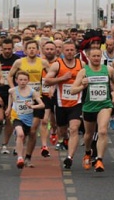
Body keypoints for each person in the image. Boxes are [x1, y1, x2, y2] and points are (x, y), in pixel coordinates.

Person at [72, 48, 114, 172]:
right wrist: (82, 85)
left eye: (98, 56)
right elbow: (72, 90)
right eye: (94, 56)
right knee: (88, 135)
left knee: (102, 131)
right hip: (89, 106)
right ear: (88, 56)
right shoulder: (83, 72)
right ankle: (87, 152)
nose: (96, 58)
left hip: (105, 105)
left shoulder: (108, 70)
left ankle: (99, 160)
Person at [7, 40, 50, 166]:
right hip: (21, 99)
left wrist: (51, 87)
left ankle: (28, 157)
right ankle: (20, 147)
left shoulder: (42, 62)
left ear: (38, 50)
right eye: (29, 48)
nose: (31, 50)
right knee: (22, 130)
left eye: (34, 48)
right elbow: (10, 76)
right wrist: (14, 91)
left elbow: (50, 76)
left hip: (37, 98)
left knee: (32, 130)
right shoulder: (19, 62)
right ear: (25, 50)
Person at [44, 40, 84, 169]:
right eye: (67, 50)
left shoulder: (81, 64)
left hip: (76, 102)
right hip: (61, 102)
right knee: (62, 130)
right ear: (62, 51)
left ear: (75, 51)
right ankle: (64, 139)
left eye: (72, 50)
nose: (69, 52)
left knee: (74, 128)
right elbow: (47, 81)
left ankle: (69, 157)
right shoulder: (57, 65)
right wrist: (62, 78)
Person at [6, 70, 45, 169]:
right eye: (20, 80)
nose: (22, 82)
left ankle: (27, 157)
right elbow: (10, 96)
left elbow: (42, 105)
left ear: (28, 81)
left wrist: (32, 106)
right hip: (17, 116)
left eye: (25, 80)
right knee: (20, 134)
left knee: (30, 134)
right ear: (16, 80)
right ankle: (20, 158)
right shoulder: (13, 90)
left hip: (28, 118)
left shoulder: (32, 92)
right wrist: (9, 108)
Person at [0, 38, 20, 155]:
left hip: (12, 93)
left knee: (9, 119)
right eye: (5, 49)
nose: (7, 51)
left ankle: (4, 144)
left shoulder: (17, 60)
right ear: (1, 49)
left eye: (10, 49)